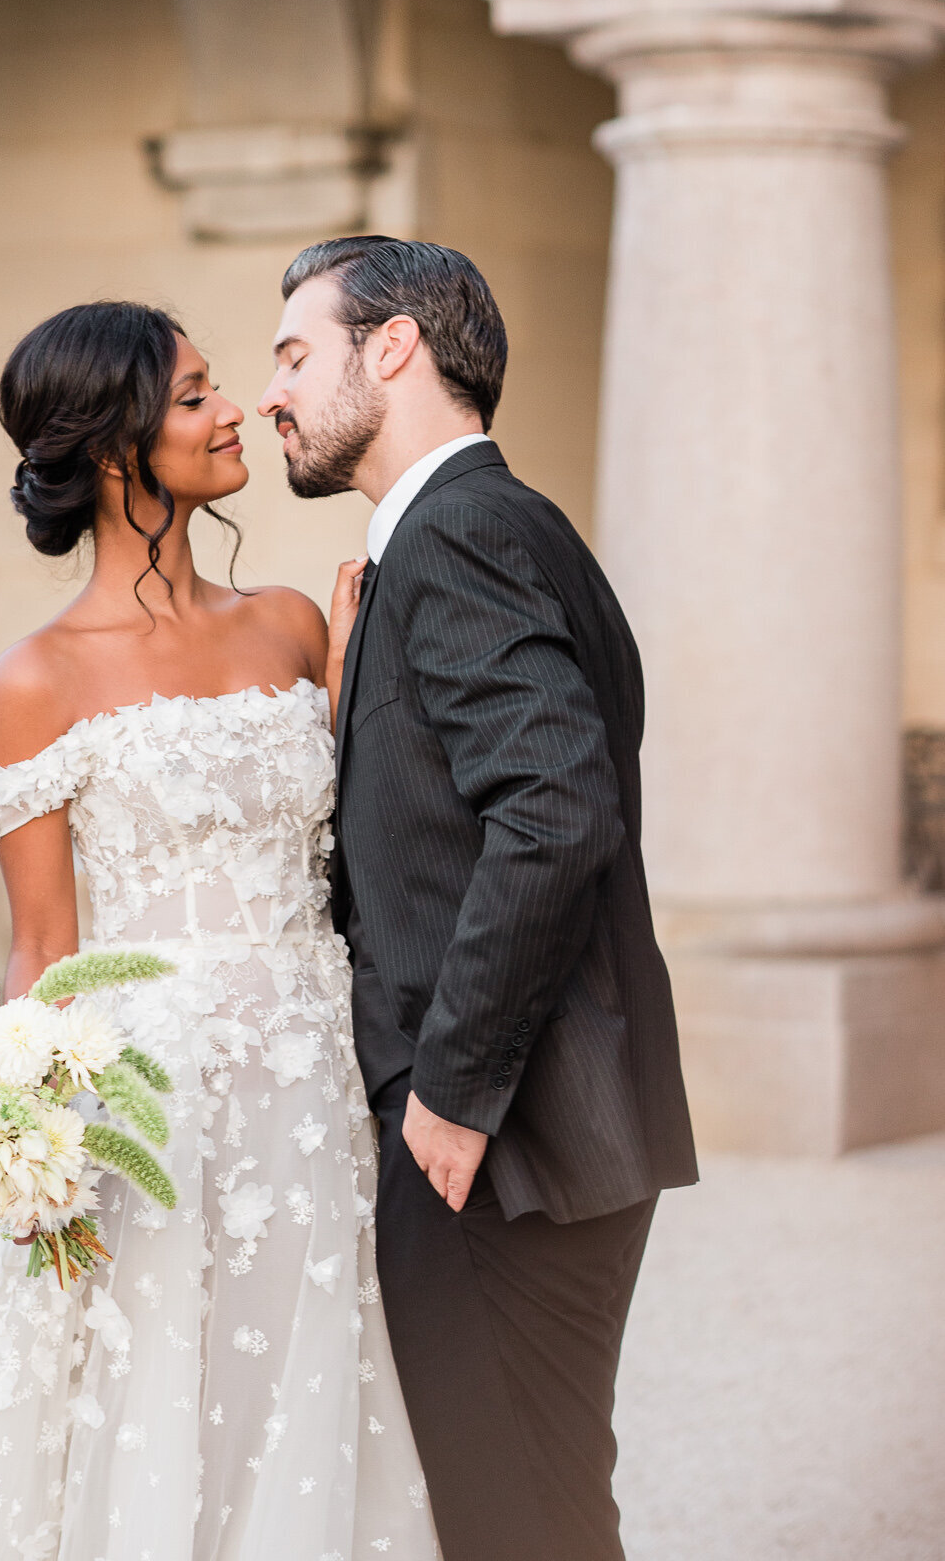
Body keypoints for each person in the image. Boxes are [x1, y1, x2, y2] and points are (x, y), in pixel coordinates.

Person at [0, 300, 437, 1561]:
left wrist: (353, 685)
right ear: (122, 446)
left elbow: (360, 847)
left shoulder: (296, 621)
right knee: (136, 1414)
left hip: (313, 1092)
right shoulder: (35, 678)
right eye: (196, 395)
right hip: (148, 1102)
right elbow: (41, 947)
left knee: (299, 1395)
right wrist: (17, 1144)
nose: (235, 405)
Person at [259, 237, 698, 1561]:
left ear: (389, 348)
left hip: (500, 1138)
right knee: (530, 1502)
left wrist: (450, 1091)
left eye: (292, 354)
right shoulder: (489, 528)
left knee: (512, 1518)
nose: (271, 391)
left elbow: (555, 814)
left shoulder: (455, 536)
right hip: (524, 1133)